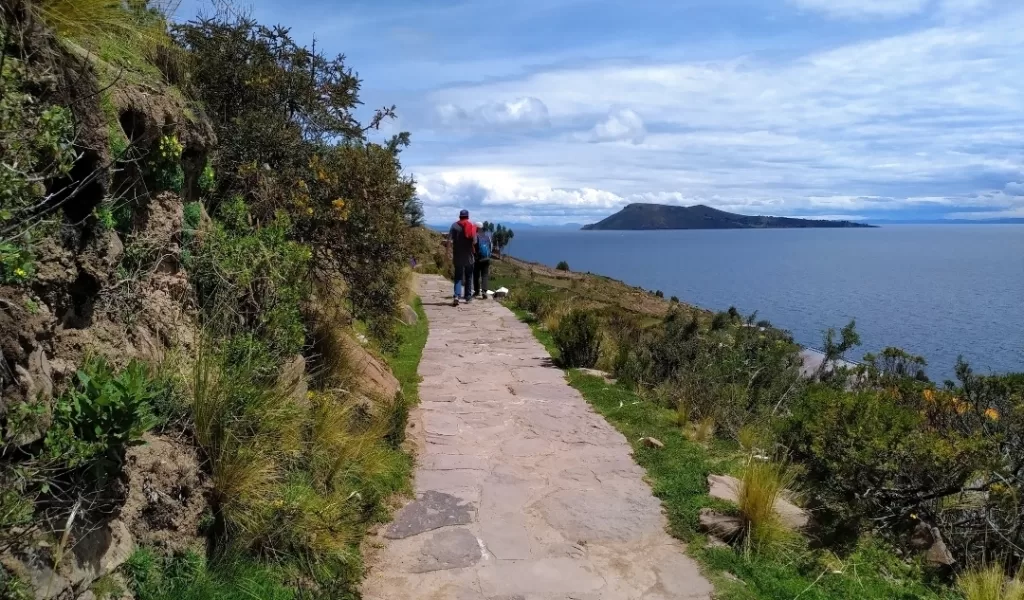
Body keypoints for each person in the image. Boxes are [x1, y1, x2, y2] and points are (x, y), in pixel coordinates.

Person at [447, 209, 477, 306]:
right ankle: (468, 297)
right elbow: (475, 242)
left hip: (458, 255)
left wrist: (448, 252)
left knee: (458, 277)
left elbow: (449, 240)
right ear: (467, 217)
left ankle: (456, 296)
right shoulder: (471, 226)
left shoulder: (454, 226)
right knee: (468, 277)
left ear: (460, 216)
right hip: (469, 257)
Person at [472, 221, 492, 299]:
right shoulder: (487, 236)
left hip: (478, 259)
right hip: (486, 258)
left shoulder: (475, 236)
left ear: (476, 228)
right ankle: (484, 291)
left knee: (476, 275)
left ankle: (477, 291)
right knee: (485, 275)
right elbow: (491, 247)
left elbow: (472, 247)